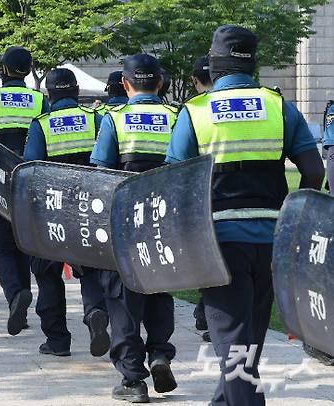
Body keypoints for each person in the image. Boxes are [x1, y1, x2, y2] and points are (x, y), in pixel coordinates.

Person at [167, 25, 324, 406]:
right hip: (271, 240)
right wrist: (293, 216)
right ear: (253, 63)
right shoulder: (278, 106)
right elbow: (315, 171)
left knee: (233, 344)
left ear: (214, 64)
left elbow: (175, 179)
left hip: (218, 242)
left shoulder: (196, 112)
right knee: (245, 342)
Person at [90, 54, 179, 403]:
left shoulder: (115, 119)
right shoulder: (177, 116)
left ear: (125, 84)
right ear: (159, 83)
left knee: (123, 300)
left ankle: (133, 379)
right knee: (161, 291)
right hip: (166, 222)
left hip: (125, 225)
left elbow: (101, 175)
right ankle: (159, 353)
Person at [23, 68, 110, 357]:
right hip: (88, 209)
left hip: (52, 211)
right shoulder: (95, 118)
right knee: (90, 270)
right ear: (76, 91)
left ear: (49, 94)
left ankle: (58, 340)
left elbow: (31, 170)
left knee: (47, 274)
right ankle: (95, 312)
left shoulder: (42, 124)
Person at [0, 46, 50, 335]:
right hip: (30, 182)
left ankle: (16, 294)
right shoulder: (40, 99)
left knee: (1, 246)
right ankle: (24, 304)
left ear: (2, 70)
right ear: (29, 70)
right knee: (24, 245)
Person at [189, 55, 213, 340]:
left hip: (203, 204)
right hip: (260, 207)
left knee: (207, 262)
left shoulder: (193, 111)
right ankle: (205, 313)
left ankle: (208, 315)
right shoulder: (269, 102)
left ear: (195, 81)